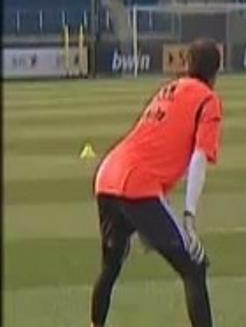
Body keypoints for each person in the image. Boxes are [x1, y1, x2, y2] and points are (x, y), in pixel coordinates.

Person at [90, 39, 223, 327]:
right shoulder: (207, 100)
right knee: (194, 267)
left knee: (111, 266)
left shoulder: (168, 90)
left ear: (187, 66)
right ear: (215, 74)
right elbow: (199, 157)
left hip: (107, 176)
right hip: (136, 185)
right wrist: (189, 216)